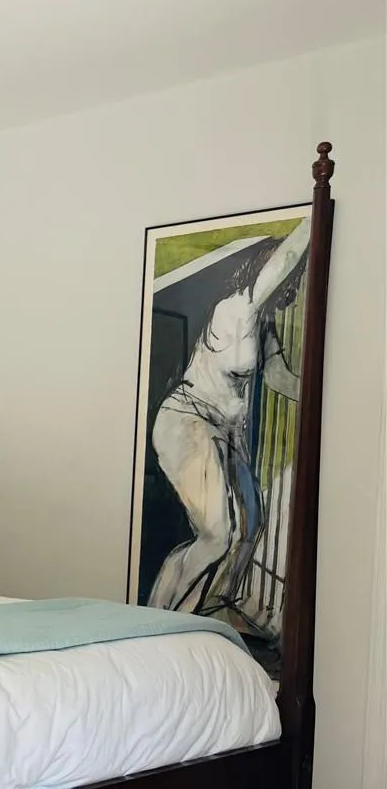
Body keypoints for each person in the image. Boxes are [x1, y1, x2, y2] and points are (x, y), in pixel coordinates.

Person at [148, 219, 308, 626]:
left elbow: (277, 377)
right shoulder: (239, 306)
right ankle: (173, 625)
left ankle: (160, 615)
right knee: (218, 535)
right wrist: (315, 221)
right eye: (294, 276)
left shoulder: (262, 323)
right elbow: (288, 256)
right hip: (188, 420)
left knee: (249, 528)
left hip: (224, 432)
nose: (295, 285)